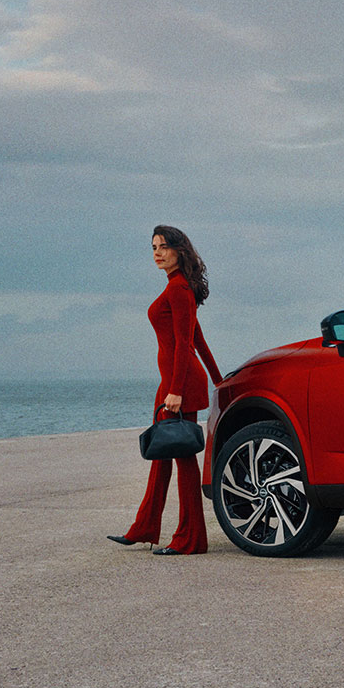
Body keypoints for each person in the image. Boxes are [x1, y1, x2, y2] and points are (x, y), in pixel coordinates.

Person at [109, 225, 223, 555]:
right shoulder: (176, 288)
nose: (157, 253)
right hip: (172, 383)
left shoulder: (179, 290)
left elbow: (186, 344)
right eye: (153, 247)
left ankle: (190, 540)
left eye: (164, 247)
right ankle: (143, 528)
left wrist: (176, 391)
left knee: (184, 463)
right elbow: (198, 338)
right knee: (161, 458)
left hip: (180, 385)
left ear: (179, 251)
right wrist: (218, 380)